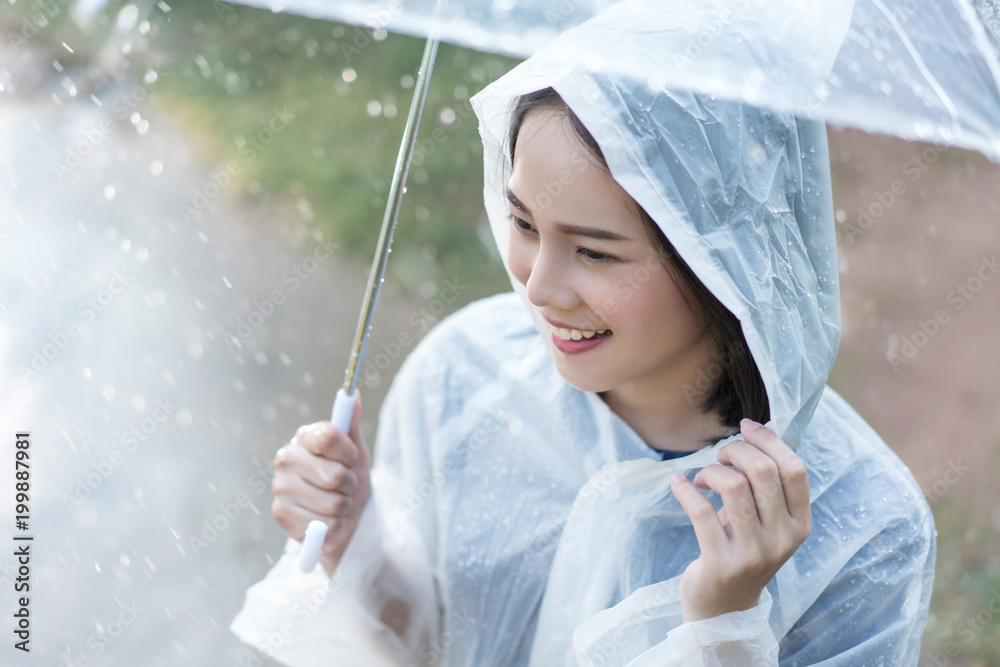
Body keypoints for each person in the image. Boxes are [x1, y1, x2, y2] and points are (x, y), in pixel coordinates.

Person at [230, 19, 936, 667]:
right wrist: (355, 540)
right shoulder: (460, 374)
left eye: (596, 253)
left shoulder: (865, 531)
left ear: (729, 261)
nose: (538, 287)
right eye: (524, 223)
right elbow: (427, 644)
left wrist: (725, 628)